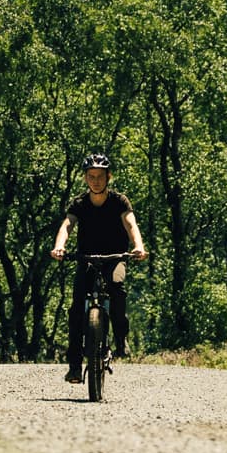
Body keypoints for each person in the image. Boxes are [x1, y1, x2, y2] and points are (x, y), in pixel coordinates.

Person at [51, 153, 147, 381]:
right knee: (76, 311)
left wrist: (138, 246)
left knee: (117, 286)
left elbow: (131, 224)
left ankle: (121, 337)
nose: (96, 181)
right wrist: (59, 247)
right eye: (91, 176)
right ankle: (74, 366)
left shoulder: (119, 201)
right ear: (85, 178)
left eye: (100, 176)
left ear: (108, 177)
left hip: (115, 257)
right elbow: (67, 225)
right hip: (86, 259)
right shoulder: (79, 203)